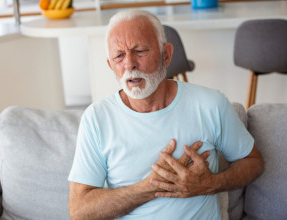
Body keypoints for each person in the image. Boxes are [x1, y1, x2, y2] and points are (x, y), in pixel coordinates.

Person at [68, 9, 264, 220]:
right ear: (110, 65)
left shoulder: (210, 104)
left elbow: (254, 162)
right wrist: (148, 187)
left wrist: (211, 184)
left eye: (140, 51)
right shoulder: (97, 119)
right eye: (119, 56)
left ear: (167, 55)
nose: (129, 64)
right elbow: (80, 211)